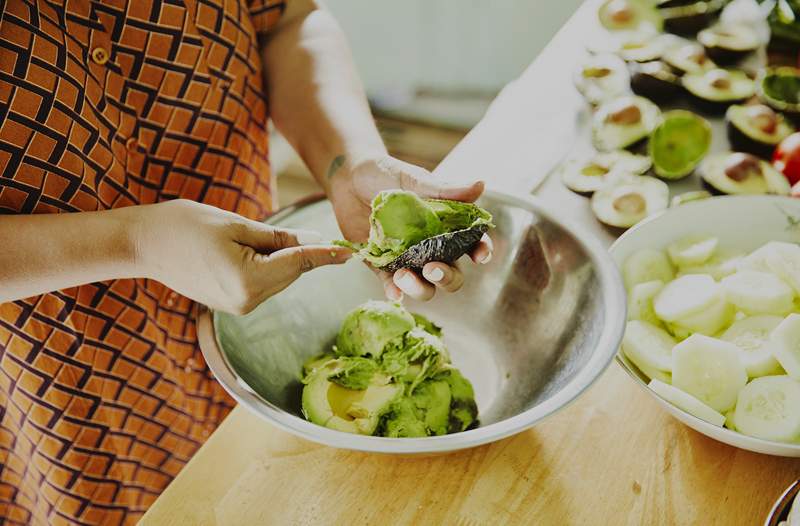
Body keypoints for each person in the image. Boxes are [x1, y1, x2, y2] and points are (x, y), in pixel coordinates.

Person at [0, 0, 492, 523]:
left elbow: (285, 21)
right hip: (74, 376)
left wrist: (349, 160)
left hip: (261, 311)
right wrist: (136, 242)